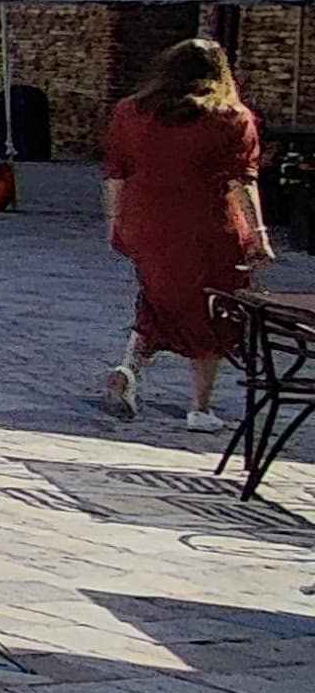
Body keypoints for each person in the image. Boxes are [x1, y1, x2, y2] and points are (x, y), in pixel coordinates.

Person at [102, 36, 273, 428]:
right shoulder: (231, 118)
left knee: (159, 296)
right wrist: (259, 234)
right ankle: (200, 406)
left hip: (147, 220)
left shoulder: (129, 112)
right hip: (208, 225)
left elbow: (115, 174)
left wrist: (116, 223)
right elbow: (242, 182)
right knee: (213, 306)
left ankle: (131, 365)